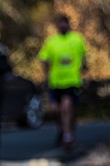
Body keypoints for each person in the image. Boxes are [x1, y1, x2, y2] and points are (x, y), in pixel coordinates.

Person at [38, 14, 88, 151]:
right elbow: (44, 59)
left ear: (69, 24)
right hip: (56, 82)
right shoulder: (52, 42)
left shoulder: (77, 39)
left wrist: (84, 72)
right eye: (60, 24)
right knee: (57, 110)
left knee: (67, 106)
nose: (62, 26)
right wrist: (46, 77)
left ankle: (68, 136)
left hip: (72, 81)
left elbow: (84, 57)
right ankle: (64, 129)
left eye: (64, 23)